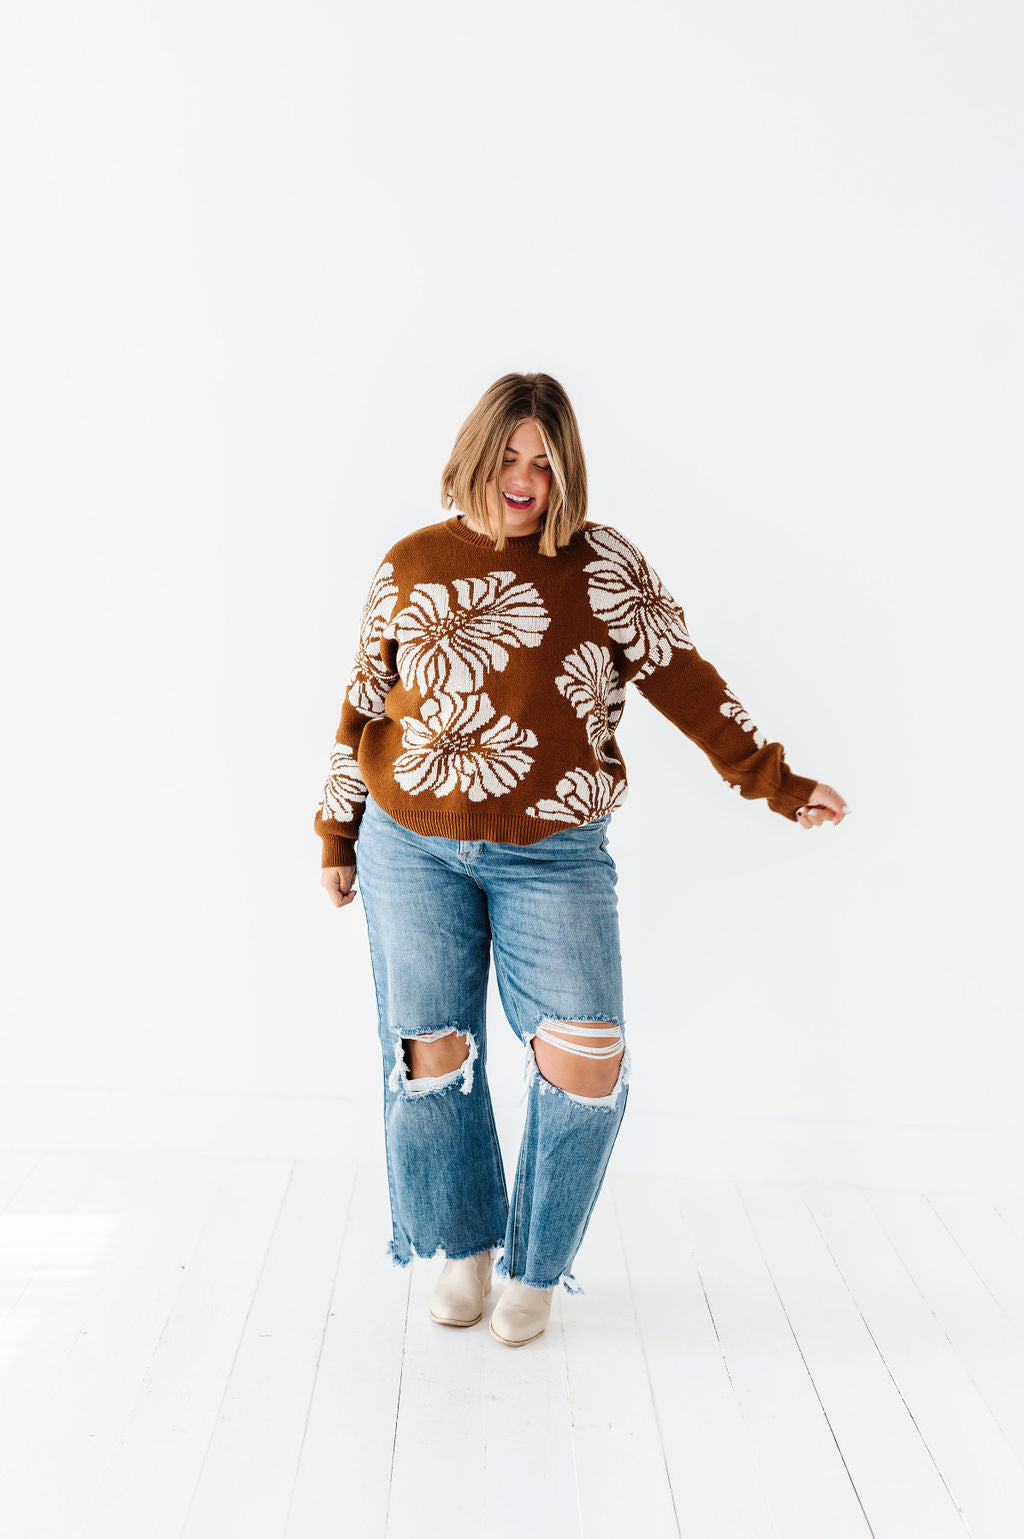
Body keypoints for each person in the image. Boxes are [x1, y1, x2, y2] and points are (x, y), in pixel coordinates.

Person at [314, 372, 849, 1347]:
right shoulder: (410, 563)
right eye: (508, 458)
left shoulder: (605, 567)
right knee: (432, 1055)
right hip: (410, 844)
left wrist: (774, 781)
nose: (524, 479)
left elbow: (685, 680)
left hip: (553, 856)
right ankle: (463, 1246)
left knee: (585, 1060)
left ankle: (535, 1264)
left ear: (567, 472)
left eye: (544, 462)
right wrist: (336, 831)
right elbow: (363, 702)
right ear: (475, 458)